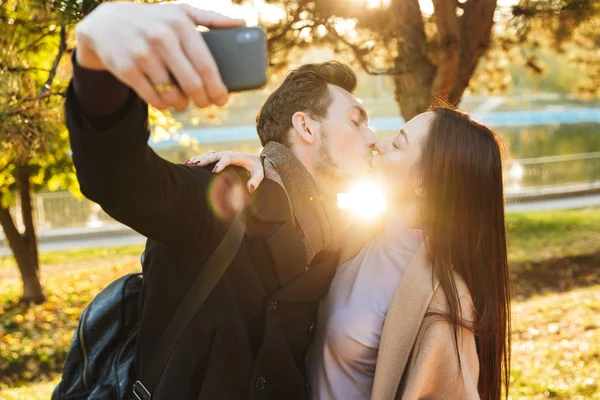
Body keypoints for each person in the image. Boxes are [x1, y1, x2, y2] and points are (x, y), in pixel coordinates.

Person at [66, 2, 377, 399]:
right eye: (356, 120)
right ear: (305, 126)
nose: (372, 139)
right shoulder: (223, 195)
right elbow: (119, 178)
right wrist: (97, 62)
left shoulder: (343, 239)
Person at [189, 108, 512, 399]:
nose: (378, 145)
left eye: (398, 145)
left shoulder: (441, 304)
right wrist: (260, 170)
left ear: (425, 185)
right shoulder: (356, 235)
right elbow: (303, 206)